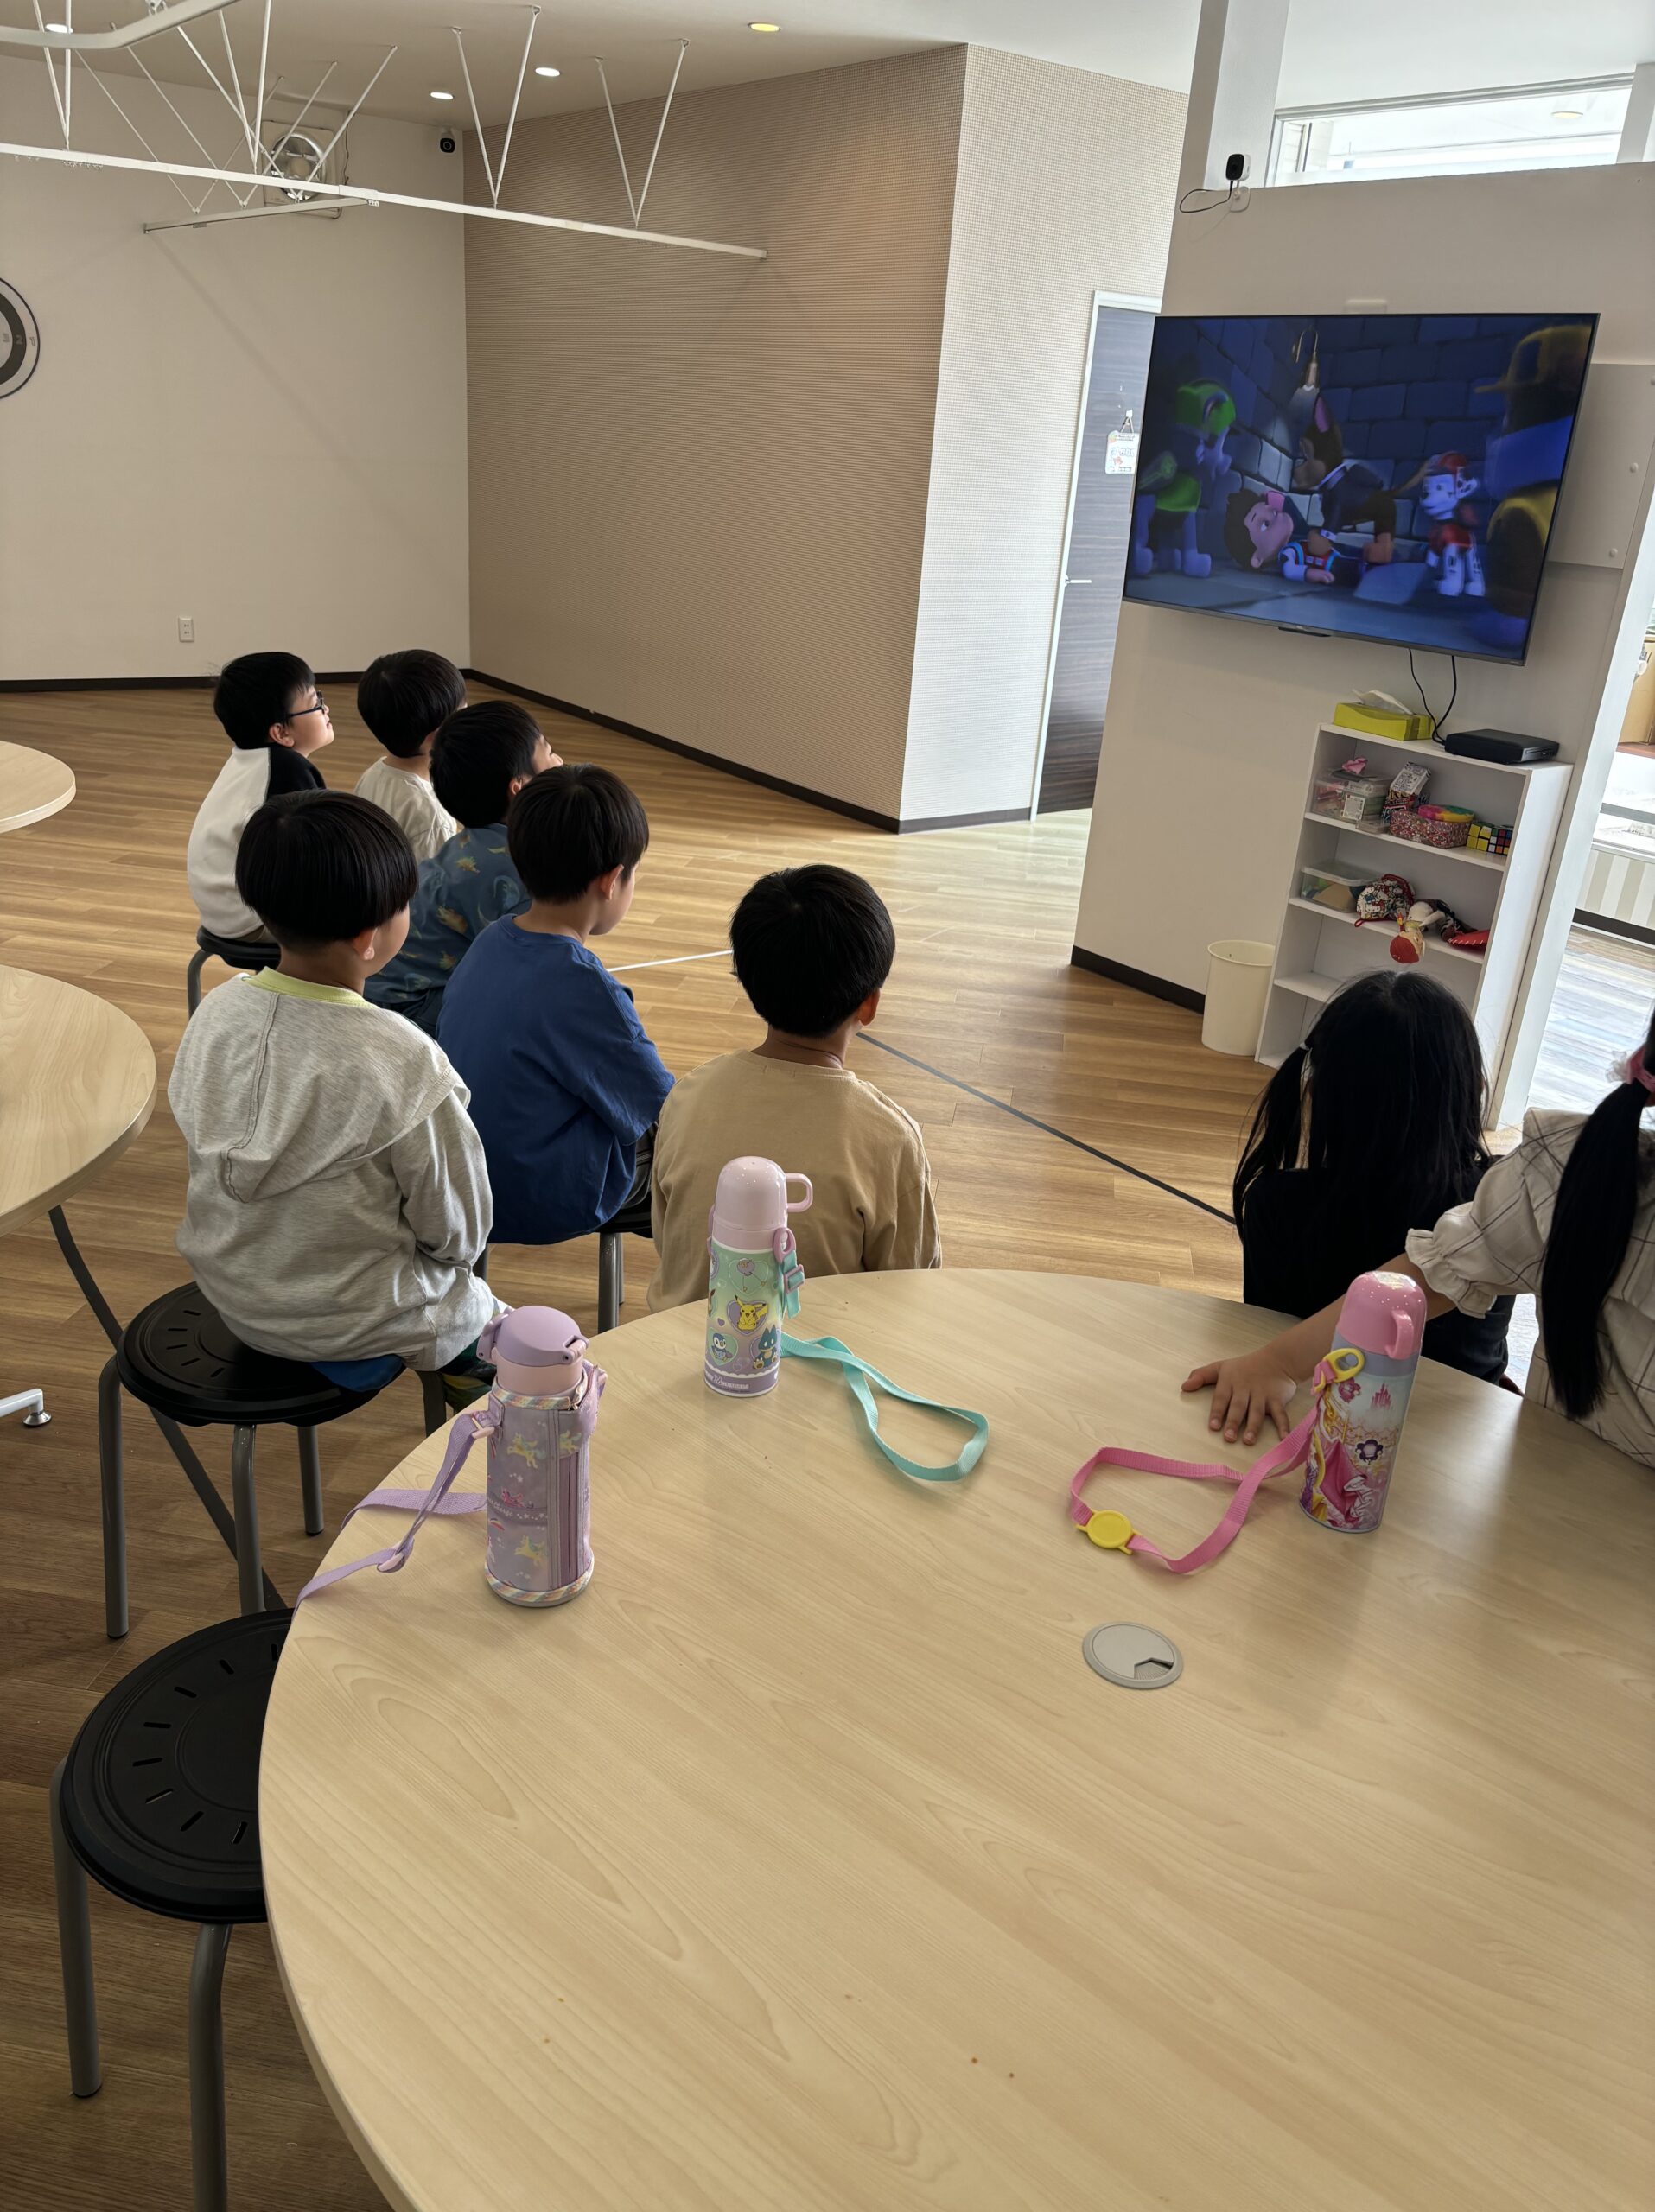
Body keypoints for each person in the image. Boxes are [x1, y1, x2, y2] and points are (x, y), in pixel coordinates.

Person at [1186, 1001, 1655, 1470]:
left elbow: (1422, 1279)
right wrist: (1278, 1362)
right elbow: (1429, 1276)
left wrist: (1279, 1362)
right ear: (1474, 1089)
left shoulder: (1275, 1200)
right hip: (1538, 1465)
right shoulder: (1550, 1176)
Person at [169, 791, 497, 1377]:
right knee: (514, 1335)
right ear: (369, 938)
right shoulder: (405, 1059)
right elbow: (460, 1234)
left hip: (234, 1299)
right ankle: (470, 1406)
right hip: (358, 1319)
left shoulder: (213, 1014)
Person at [648, 863, 940, 1312]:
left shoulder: (687, 1098)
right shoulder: (890, 1139)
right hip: (827, 1355)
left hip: (676, 1345)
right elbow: (910, 1289)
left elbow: (670, 1243)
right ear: (869, 1005)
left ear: (748, 982)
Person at [1233, 971, 1511, 1383]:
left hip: (1319, 1409)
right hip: (1471, 1418)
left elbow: (1265, 1339)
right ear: (1475, 1089)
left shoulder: (1275, 1204)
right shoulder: (1500, 1201)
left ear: (1316, 1092)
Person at [439, 764, 673, 1249]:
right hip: (540, 1198)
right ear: (611, 881)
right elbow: (661, 1104)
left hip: (462, 1179)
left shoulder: (489, 940)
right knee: (689, 1147)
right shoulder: (587, 988)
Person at [366, 700, 559, 1035]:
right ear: (519, 787)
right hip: (410, 1009)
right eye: (550, 753)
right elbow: (528, 965)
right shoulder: (520, 869)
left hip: (380, 988)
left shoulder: (473, 842)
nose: (559, 762)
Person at [186, 652, 332, 940]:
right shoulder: (287, 771)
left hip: (226, 914)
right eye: (315, 704)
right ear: (281, 732)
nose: (325, 709)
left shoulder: (248, 760)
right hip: (254, 920)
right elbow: (319, 857)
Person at [353, 649, 467, 861]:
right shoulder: (430, 816)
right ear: (437, 737)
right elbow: (434, 879)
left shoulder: (373, 774)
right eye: (463, 712)